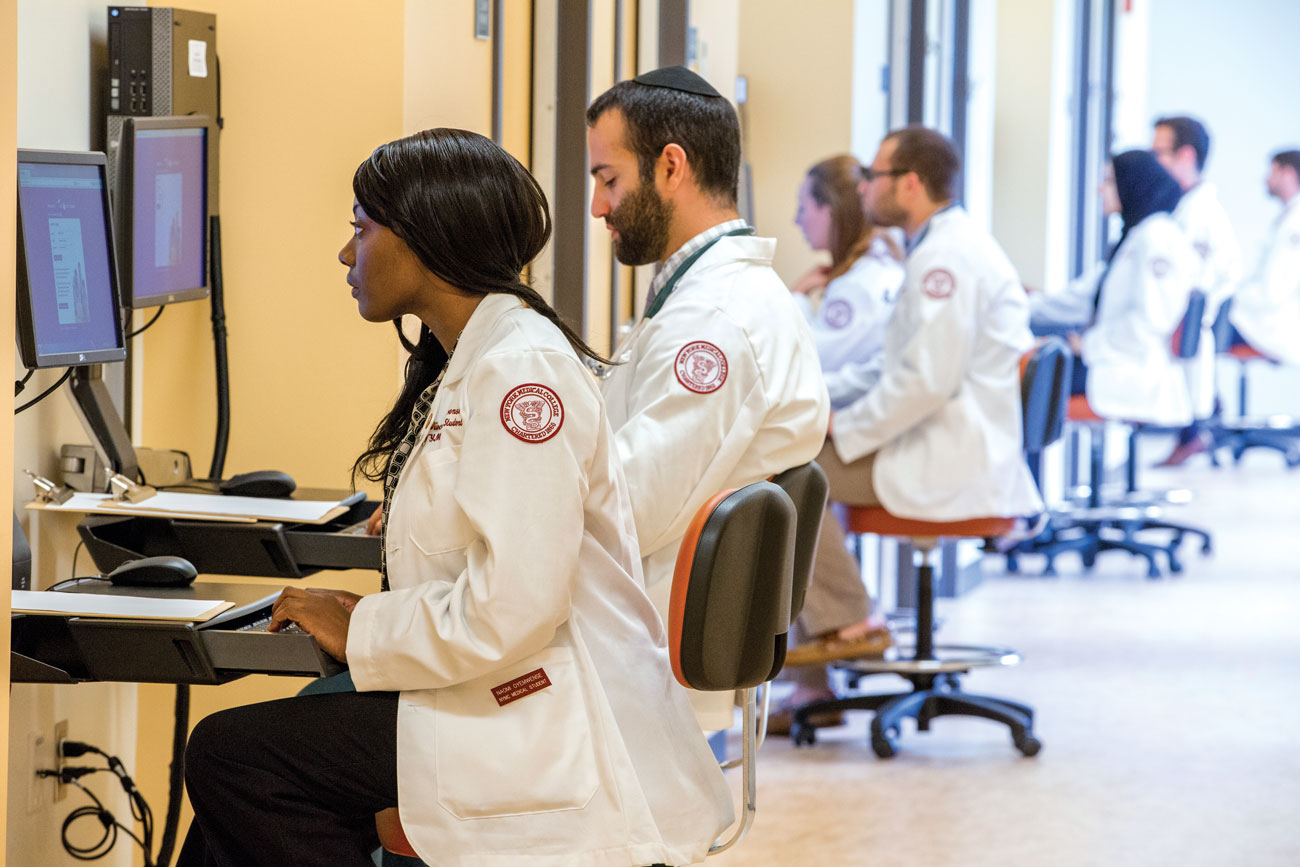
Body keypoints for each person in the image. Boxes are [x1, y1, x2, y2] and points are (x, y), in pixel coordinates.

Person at [177, 128, 732, 867]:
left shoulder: (519, 372)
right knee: (234, 792)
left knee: (233, 757)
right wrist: (367, 609)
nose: (348, 255)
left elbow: (515, 606)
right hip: (506, 686)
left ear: (424, 240)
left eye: (360, 229)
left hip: (544, 714)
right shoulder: (473, 357)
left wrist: (369, 629)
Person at [585, 66, 830, 732]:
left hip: (635, 643)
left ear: (670, 167)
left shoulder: (717, 320)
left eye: (608, 179)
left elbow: (633, 502)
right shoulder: (705, 299)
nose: (598, 206)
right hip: (641, 621)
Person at [784, 127, 1043, 703]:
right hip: (952, 440)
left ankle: (848, 629)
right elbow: (890, 366)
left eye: (875, 176)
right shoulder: (936, 248)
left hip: (953, 455)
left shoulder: (941, 261)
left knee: (790, 473)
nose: (866, 187)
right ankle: (816, 684)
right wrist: (822, 397)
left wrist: (842, 428)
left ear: (910, 184)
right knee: (794, 458)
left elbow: (923, 383)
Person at [1071, 150, 1198, 425]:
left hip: (1131, 370)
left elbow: (1150, 322)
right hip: (1118, 359)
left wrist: (1087, 345)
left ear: (1132, 184)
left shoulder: (1156, 238)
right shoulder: (1137, 235)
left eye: (1109, 181)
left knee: (1035, 380)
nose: (1100, 189)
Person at [1150, 116, 1243, 465]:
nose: (1153, 161)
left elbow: (1194, 282)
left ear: (1186, 155)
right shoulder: (1185, 207)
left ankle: (1195, 431)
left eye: (1159, 152)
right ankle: (1199, 427)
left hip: (1184, 323)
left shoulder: (1201, 216)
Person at [790, 154, 905, 409]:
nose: (796, 221)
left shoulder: (858, 286)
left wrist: (797, 297)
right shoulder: (881, 264)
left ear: (829, 211)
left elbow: (810, 362)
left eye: (802, 208)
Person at [1228, 150, 1300, 363]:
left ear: (1288, 173)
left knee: (1196, 331)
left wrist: (1232, 300)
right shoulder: (1289, 218)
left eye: (1273, 172)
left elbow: (1274, 290)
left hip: (1273, 326)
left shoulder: (1295, 225)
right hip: (1264, 317)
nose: (1266, 179)